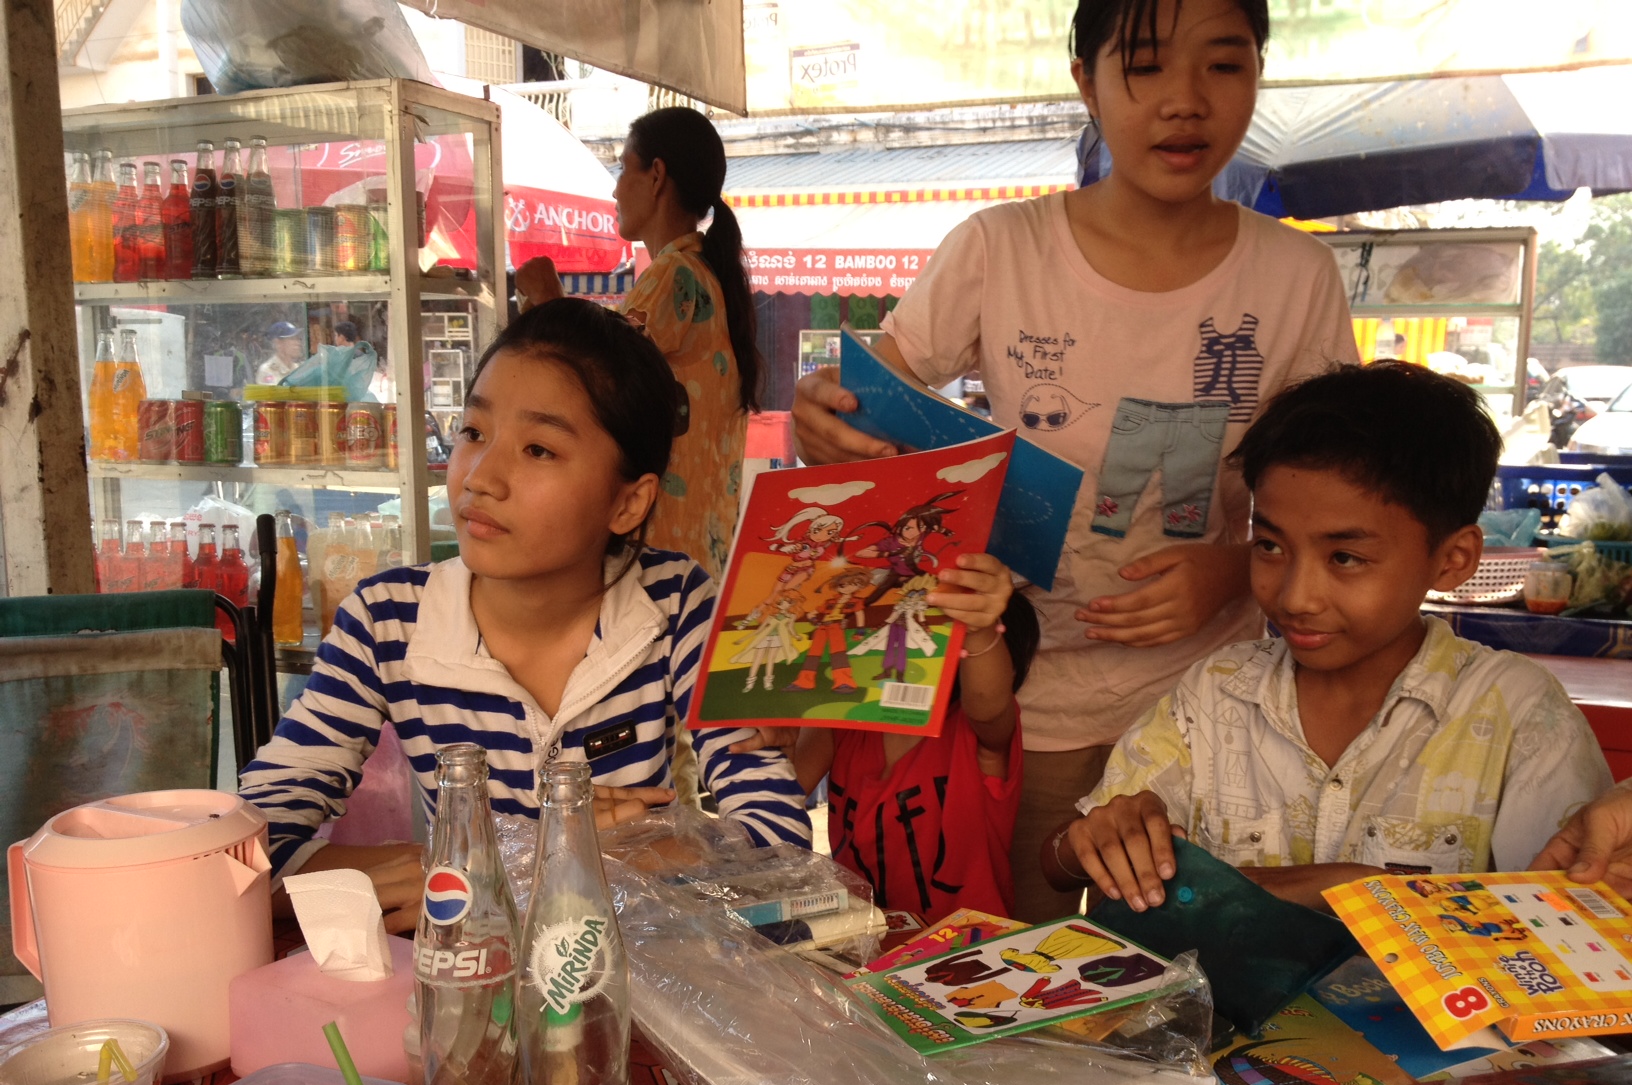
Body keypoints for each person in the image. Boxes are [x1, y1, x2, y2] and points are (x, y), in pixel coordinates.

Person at [789, 0, 1358, 920]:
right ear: (1086, 80)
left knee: (1192, 960)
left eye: (1223, 64)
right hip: (1019, 703)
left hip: (1210, 708)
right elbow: (866, 412)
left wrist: (1232, 571)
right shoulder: (1000, 250)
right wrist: (824, 422)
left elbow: (1335, 501)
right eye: (1144, 65)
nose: (1185, 100)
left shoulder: (1296, 278)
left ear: (1259, 72)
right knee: (1020, 966)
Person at [238, 299, 809, 931]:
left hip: (618, 971)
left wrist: (489, 873)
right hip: (463, 975)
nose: (481, 477)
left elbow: (779, 844)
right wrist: (556, 862)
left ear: (628, 503)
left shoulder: (675, 605)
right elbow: (243, 851)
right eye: (473, 433)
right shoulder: (387, 621)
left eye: (538, 449)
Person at [1043, 362, 1613, 912]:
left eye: (1344, 557)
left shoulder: (1520, 714)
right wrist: (1091, 840)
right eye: (1270, 546)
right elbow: (1058, 866)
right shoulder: (1215, 693)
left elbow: (1570, 920)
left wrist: (1353, 891)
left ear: (1453, 559)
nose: (1296, 597)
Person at [516, 107, 760, 579]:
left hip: (662, 555)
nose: (615, 189)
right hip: (695, 553)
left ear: (657, 175)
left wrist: (548, 300)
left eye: (624, 168)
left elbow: (595, 373)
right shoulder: (701, 273)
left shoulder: (676, 274)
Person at [787, 554, 1041, 923]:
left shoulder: (977, 737)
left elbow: (988, 703)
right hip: (867, 938)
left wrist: (980, 628)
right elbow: (788, 788)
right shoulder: (845, 720)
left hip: (967, 942)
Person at [256, 320, 304, 385]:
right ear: (278, 343)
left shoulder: (299, 369)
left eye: (298, 339)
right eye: (292, 339)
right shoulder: (267, 370)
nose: (298, 343)